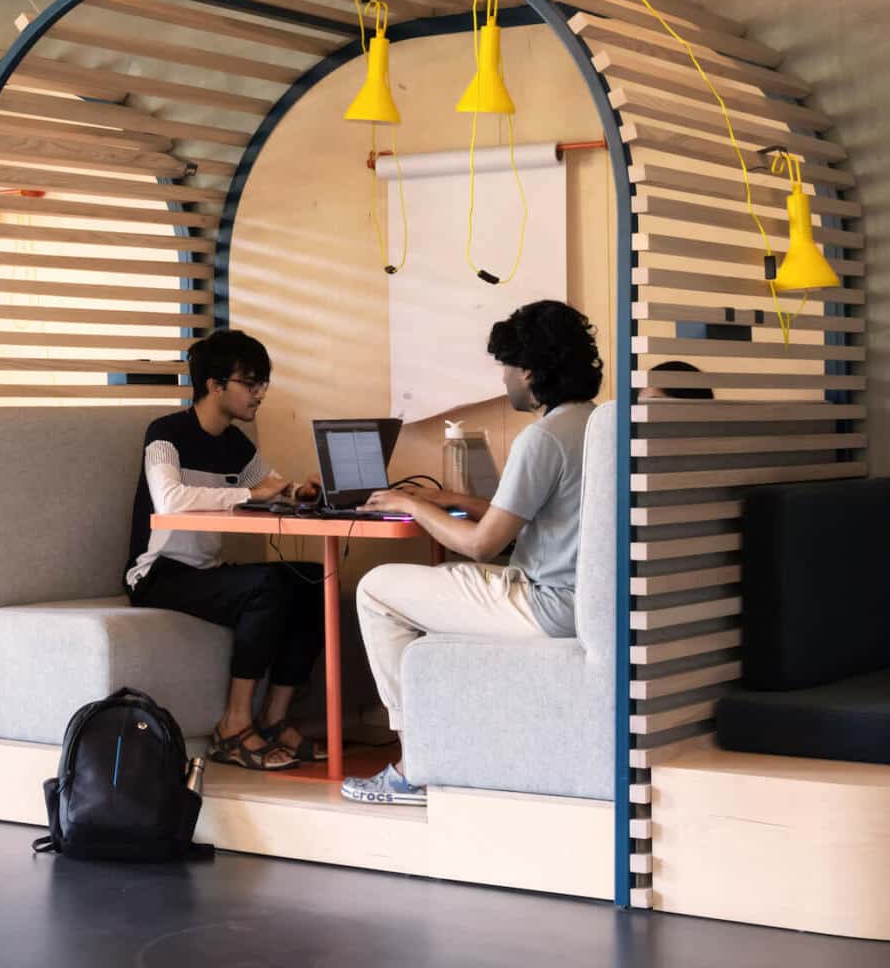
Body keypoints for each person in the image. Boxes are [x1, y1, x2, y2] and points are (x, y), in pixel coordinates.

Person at [340, 300, 602, 806]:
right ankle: (440, 747)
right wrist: (459, 501)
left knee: (375, 590)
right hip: (582, 600)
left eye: (506, 366)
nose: (503, 380)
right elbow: (545, 514)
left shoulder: (542, 439)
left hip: (541, 603)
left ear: (529, 370)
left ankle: (412, 761)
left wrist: (409, 503)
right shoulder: (596, 425)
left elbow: (483, 546)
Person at [126, 329, 327, 772]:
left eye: (262, 384)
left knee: (313, 579)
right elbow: (170, 501)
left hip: (204, 571)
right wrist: (252, 496)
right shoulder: (165, 435)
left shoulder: (236, 444)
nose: (259, 394)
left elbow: (268, 486)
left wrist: (297, 491)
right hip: (159, 574)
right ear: (215, 386)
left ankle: (273, 720)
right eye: (250, 383)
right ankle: (233, 728)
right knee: (269, 586)